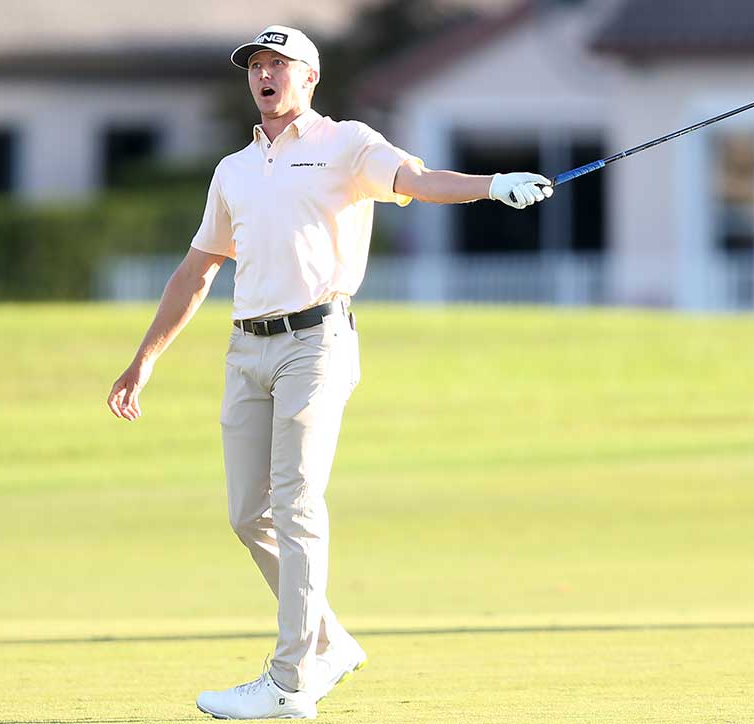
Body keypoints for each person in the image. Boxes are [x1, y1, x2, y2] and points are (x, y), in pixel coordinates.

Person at [106, 24, 552, 720]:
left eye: (278, 64)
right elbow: (197, 271)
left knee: (297, 504)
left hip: (317, 341)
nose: (264, 74)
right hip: (245, 349)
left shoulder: (348, 144)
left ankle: (290, 683)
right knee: (247, 512)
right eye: (255, 65)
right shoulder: (234, 170)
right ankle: (330, 641)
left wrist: (493, 184)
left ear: (309, 78)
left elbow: (418, 180)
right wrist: (144, 361)